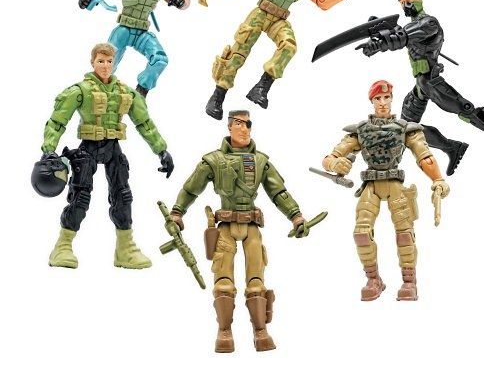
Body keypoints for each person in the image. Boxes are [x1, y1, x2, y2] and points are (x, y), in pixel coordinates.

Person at [167, 110, 319, 352]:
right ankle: (224, 331)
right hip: (225, 226)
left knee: (256, 280)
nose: (244, 129)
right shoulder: (213, 160)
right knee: (223, 280)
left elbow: (278, 192)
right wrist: (177, 212)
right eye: (238, 124)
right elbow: (191, 188)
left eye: (248, 124)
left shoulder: (260, 161)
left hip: (251, 226)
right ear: (229, 127)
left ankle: (260, 330)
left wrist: (296, 216)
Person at [37, 43, 174, 269]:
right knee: (80, 196)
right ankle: (62, 246)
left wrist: (161, 150)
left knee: (123, 196)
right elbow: (57, 121)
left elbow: (144, 122)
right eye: (101, 61)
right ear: (92, 62)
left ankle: (125, 248)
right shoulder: (80, 91)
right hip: (88, 148)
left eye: (110, 61)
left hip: (113, 148)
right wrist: (49, 149)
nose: (105, 66)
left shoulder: (125, 92)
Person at [205, 0, 364, 119]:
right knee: (239, 51)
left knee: (289, 46)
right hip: (262, 12)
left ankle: (261, 88)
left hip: (280, 19)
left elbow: (322, 1)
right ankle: (217, 97)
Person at [356, 0, 484, 172]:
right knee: (407, 128)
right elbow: (400, 34)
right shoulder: (411, 26)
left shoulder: (428, 23)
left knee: (465, 109)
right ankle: (452, 148)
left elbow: (401, 37)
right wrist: (381, 30)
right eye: (402, 3)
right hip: (420, 84)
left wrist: (379, 44)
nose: (406, 4)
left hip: (431, 81)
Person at [321, 80, 449, 301]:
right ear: (372, 101)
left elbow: (424, 155)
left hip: (395, 185)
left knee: (405, 234)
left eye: (386, 97)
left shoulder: (405, 128)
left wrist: (438, 179)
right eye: (377, 98)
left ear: (391, 99)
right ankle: (373, 280)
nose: (382, 102)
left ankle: (409, 282)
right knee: (361, 234)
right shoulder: (360, 130)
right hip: (370, 185)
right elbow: (330, 157)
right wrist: (335, 164)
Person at [78, 0, 190, 96]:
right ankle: (95, 91)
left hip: (142, 33)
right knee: (107, 62)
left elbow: (183, 0)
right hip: (124, 29)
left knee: (160, 60)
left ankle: (141, 92)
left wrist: (181, 1)